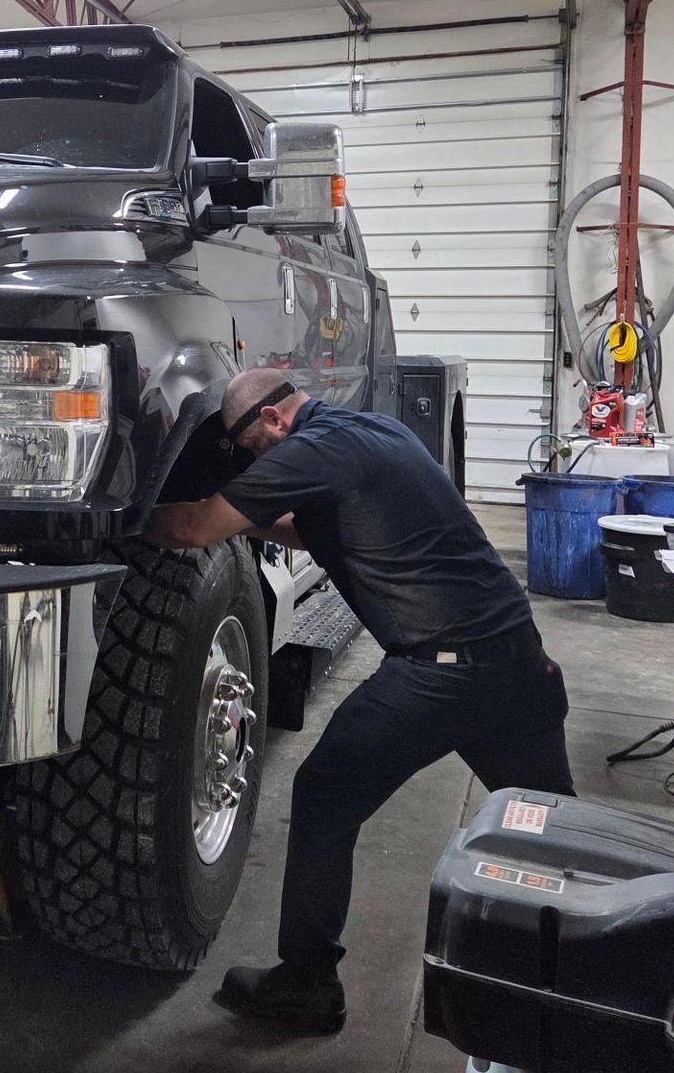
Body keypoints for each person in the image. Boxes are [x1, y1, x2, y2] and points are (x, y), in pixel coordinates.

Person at [147, 368, 574, 1034]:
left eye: (251, 450)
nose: (257, 463)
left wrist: (125, 518)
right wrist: (253, 522)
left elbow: (197, 527)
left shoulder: (306, 449)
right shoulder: (366, 432)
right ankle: (582, 982)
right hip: (517, 661)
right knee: (555, 836)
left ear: (272, 422)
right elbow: (311, 526)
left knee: (323, 794)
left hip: (441, 672)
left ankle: (309, 984)